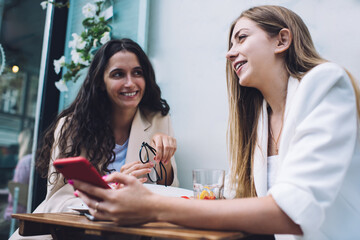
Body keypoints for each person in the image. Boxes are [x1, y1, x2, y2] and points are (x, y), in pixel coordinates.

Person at [71, 5, 360, 240]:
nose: (230, 52)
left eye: (242, 37)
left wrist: (151, 206)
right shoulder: (259, 120)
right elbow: (237, 203)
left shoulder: (325, 83)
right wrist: (145, 193)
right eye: (231, 42)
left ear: (281, 40)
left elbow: (292, 213)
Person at [9, 38, 179, 239]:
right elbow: (56, 197)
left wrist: (164, 160)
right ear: (100, 81)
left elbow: (171, 190)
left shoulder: (159, 120)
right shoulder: (71, 126)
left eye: (137, 72)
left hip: (132, 228)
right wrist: (112, 188)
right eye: (118, 74)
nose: (130, 82)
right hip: (73, 228)